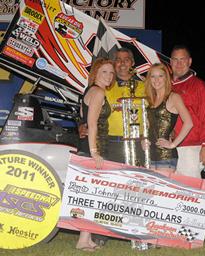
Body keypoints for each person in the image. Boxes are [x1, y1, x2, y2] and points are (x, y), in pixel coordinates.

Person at [79, 47, 146, 165]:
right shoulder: (103, 88)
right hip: (109, 145)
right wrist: (81, 126)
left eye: (126, 59)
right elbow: (86, 116)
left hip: (137, 145)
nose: (122, 63)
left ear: (132, 63)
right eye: (118, 59)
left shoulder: (145, 85)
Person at [76, 57, 115, 252]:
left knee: (91, 196)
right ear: (96, 74)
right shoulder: (98, 92)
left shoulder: (91, 90)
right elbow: (91, 124)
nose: (109, 76)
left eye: (111, 72)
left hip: (92, 148)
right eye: (104, 72)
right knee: (91, 195)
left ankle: (86, 238)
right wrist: (94, 153)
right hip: (94, 150)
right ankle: (83, 240)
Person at [170, 44, 205, 178]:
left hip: (189, 148)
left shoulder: (199, 86)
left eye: (183, 59)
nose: (179, 63)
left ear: (189, 61)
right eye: (175, 59)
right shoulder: (164, 84)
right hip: (166, 147)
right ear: (170, 62)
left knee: (189, 192)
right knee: (168, 193)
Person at [143, 63, 193, 178]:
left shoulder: (173, 97)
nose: (156, 80)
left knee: (161, 193)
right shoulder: (150, 100)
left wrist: (173, 144)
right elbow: (148, 126)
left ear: (166, 78)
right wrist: (143, 140)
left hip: (166, 157)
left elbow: (189, 123)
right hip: (150, 155)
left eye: (160, 76)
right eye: (153, 76)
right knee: (151, 193)